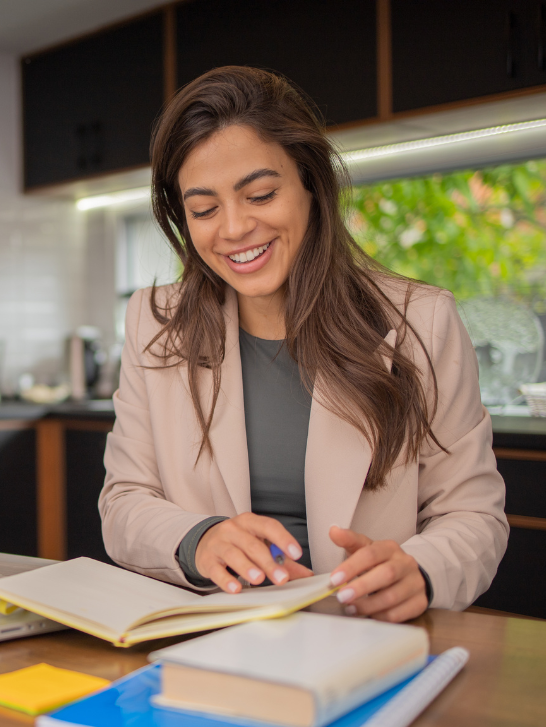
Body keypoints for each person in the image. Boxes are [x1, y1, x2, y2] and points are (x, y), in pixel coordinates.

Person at [99, 66, 508, 622]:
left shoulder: (421, 321)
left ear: (311, 185)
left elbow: (473, 513)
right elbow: (124, 502)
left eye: (261, 194)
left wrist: (422, 570)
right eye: (204, 209)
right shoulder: (154, 323)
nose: (235, 227)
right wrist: (200, 540)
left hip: (366, 640)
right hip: (212, 639)